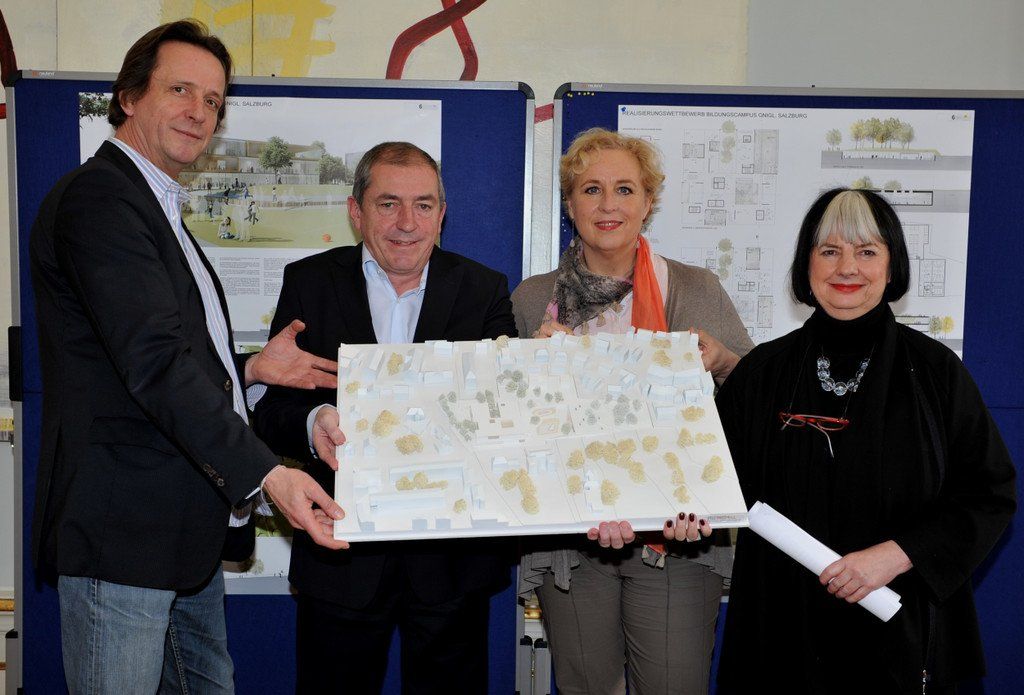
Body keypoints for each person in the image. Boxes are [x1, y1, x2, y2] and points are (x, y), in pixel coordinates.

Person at [29, 20, 349, 694]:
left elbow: (151, 350)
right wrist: (269, 474)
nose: (198, 112)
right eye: (180, 89)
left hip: (182, 535)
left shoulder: (156, 205)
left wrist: (250, 371)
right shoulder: (101, 199)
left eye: (212, 101)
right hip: (124, 537)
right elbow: (154, 363)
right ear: (128, 96)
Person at [710, 188, 1016, 693]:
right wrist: (677, 514)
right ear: (806, 265)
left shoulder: (936, 373)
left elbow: (989, 493)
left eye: (867, 251)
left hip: (899, 623)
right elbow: (713, 484)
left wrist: (896, 554)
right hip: (783, 632)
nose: (847, 267)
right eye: (829, 250)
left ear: (892, 267)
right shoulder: (762, 372)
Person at [252, 142, 518, 694]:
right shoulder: (309, 282)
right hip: (339, 552)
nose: (406, 223)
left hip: (451, 560)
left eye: (423, 205)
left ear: (442, 215)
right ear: (357, 211)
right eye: (388, 203)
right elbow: (271, 409)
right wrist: (314, 420)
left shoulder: (483, 288)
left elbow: (506, 414)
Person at [510, 127, 753, 694]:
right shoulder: (531, 299)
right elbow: (511, 428)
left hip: (679, 538)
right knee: (586, 686)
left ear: (648, 202)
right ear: (569, 205)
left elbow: (755, 398)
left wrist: (722, 361)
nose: (608, 205)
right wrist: (529, 374)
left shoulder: (696, 288)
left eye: (625, 189)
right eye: (590, 190)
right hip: (571, 539)